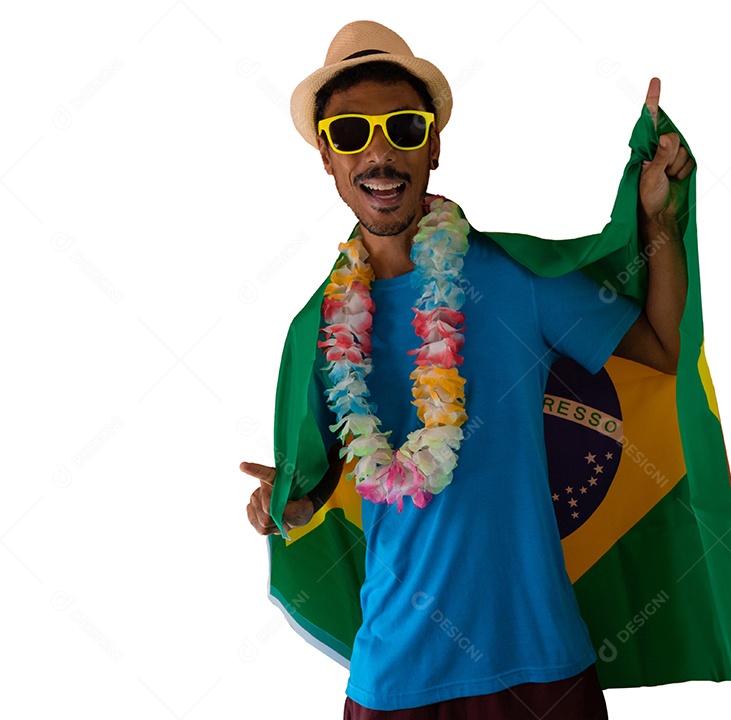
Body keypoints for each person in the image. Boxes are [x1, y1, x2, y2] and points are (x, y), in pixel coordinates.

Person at [242, 20, 691, 720]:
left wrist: (657, 221)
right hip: (396, 683)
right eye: (353, 134)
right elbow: (316, 491)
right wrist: (284, 505)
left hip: (543, 670)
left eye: (404, 127)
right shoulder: (316, 333)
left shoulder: (517, 280)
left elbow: (661, 348)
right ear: (327, 158)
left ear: (436, 144)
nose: (381, 153)